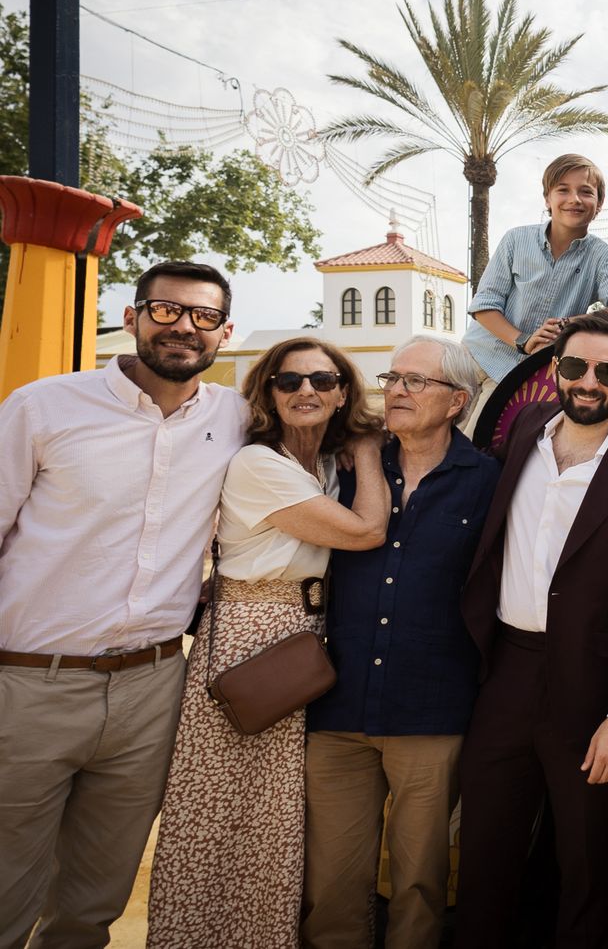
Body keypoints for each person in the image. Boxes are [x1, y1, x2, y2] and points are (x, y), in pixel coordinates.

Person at [0, 262, 247, 948]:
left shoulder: (236, 417)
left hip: (153, 686)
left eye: (202, 317)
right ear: (133, 315)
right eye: (165, 311)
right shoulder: (43, 407)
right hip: (28, 683)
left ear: (225, 332)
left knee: (93, 901)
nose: (182, 328)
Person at [144, 337, 388, 948]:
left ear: (341, 393)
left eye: (322, 380)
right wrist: (368, 448)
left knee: (277, 820)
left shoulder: (325, 466)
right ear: (268, 394)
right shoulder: (259, 465)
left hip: (302, 640)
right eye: (289, 381)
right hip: (254, 645)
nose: (307, 391)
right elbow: (365, 532)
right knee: (225, 814)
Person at [454, 314, 608, 947]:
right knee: (485, 852)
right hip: (506, 672)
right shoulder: (525, 429)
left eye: (607, 372)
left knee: (585, 864)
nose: (589, 382)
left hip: (591, 690)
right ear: (554, 370)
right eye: (576, 367)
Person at [300, 336, 501, 949]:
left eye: (417, 381)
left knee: (420, 882)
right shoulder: (346, 466)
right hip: (338, 706)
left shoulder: (489, 480)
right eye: (392, 378)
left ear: (457, 401)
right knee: (331, 882)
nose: (396, 390)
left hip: (432, 709)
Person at [463, 154, 608, 426]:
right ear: (547, 199)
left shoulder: (600, 255)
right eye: (563, 190)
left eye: (586, 192)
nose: (575, 199)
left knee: (474, 440)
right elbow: (484, 305)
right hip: (474, 355)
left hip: (515, 374)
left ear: (599, 204)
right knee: (428, 428)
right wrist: (523, 340)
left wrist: (572, 324)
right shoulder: (516, 240)